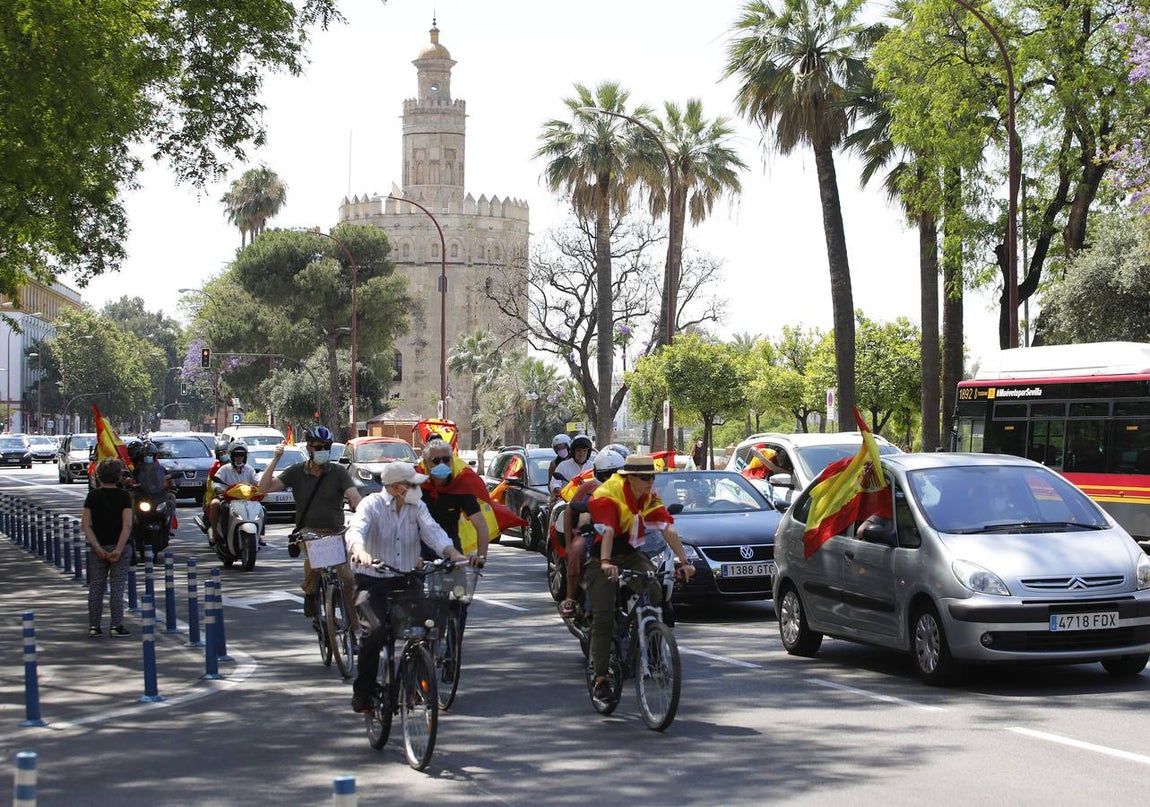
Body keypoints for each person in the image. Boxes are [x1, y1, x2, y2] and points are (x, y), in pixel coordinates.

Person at [344, 461, 474, 713]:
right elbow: (356, 530)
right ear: (395, 488)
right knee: (376, 632)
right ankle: (364, 692)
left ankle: (414, 680)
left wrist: (451, 552)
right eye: (412, 484)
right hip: (373, 581)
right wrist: (359, 551)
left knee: (425, 629)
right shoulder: (371, 505)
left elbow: (433, 531)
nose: (418, 488)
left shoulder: (417, 506)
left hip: (408, 580)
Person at [582, 454, 695, 707]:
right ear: (629, 478)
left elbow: (667, 527)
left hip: (631, 554)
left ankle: (649, 638)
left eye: (653, 476)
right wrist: (605, 563)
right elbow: (609, 530)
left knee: (654, 588)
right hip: (603, 555)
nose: (650, 481)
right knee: (603, 616)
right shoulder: (609, 493)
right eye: (645, 478)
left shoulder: (648, 496)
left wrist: (685, 562)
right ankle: (600, 679)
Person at [258, 425, 361, 618]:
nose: (322, 451)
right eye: (318, 447)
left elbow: (354, 497)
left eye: (326, 447)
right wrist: (275, 460)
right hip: (308, 531)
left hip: (336, 532)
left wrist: (365, 517)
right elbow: (264, 489)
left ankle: (354, 628)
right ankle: (310, 592)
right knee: (315, 560)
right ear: (309, 448)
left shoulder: (338, 472)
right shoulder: (296, 472)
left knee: (347, 579)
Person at [558, 449, 625, 618]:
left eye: (615, 474)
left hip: (621, 535)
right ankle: (570, 598)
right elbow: (569, 512)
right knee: (578, 550)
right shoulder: (587, 488)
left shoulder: (629, 488)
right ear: (597, 473)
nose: (611, 479)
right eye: (606, 475)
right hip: (590, 534)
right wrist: (568, 543)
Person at [82, 458, 134, 638]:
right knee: (117, 587)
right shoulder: (124, 496)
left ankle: (94, 626)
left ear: (99, 476)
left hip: (99, 546)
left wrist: (96, 546)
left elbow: (86, 524)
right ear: (119, 476)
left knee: (96, 586)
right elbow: (127, 525)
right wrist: (119, 549)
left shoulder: (93, 496)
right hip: (120, 547)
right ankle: (116, 625)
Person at [207, 443, 259, 545]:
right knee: (214, 504)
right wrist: (219, 489)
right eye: (236, 455)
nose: (239, 458)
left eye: (241, 455)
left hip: (246, 500)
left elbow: (257, 482)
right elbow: (216, 482)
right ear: (232, 456)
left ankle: (259, 535)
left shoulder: (250, 469)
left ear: (245, 457)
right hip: (227, 499)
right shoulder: (224, 469)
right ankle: (214, 531)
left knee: (262, 509)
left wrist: (262, 488)